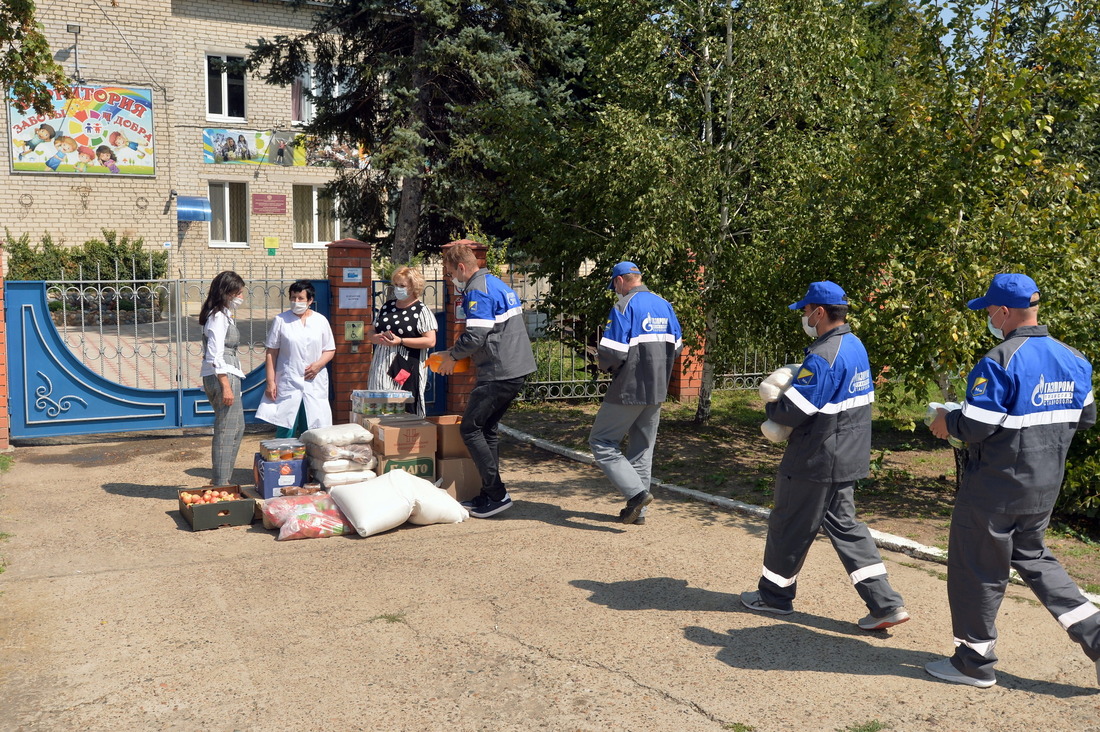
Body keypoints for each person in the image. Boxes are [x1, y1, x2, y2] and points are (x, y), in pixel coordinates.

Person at [926, 273, 1098, 688]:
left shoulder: (1000, 359)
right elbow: (1086, 417)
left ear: (1004, 311)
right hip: (1043, 486)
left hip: (995, 488)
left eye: (988, 310)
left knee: (976, 569)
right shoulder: (1074, 357)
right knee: (1035, 559)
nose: (988, 317)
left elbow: (975, 427)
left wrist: (944, 420)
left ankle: (974, 662)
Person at [740, 281, 910, 631]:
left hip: (815, 457)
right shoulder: (854, 345)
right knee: (846, 527)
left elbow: (792, 411)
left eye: (805, 311)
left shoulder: (823, 355)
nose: (804, 316)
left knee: (788, 525)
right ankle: (886, 604)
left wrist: (772, 402)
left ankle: (774, 597)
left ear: (819, 311)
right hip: (846, 454)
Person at [434, 241, 535, 518]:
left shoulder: (477, 290)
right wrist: (453, 352)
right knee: (487, 428)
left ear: (462, 267)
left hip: (499, 372)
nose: (449, 277)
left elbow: (476, 335)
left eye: (449, 271)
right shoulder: (496, 284)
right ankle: (490, 493)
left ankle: (497, 493)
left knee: (470, 428)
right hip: (513, 368)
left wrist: (452, 357)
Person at [588, 261, 682, 525]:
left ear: (620, 281)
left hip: (628, 387)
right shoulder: (664, 304)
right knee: (642, 448)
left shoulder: (624, 306)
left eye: (614, 286)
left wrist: (602, 363)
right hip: (657, 388)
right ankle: (638, 513)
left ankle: (636, 494)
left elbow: (612, 353)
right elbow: (677, 347)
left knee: (602, 442)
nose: (615, 291)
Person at [256, 280, 336, 438]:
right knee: (286, 426)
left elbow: (330, 349)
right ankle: (283, 462)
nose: (296, 302)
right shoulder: (281, 320)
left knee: (314, 427)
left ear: (310, 300)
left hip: (314, 381)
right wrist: (270, 382)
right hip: (288, 380)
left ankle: (312, 462)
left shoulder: (320, 321)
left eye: (300, 298)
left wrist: (318, 365)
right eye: (293, 298)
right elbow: (271, 352)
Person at [367, 266, 438, 417]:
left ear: (413, 287)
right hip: (381, 365)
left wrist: (401, 341)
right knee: (380, 407)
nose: (397, 289)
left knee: (403, 406)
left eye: (402, 286)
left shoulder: (421, 310)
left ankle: (407, 437)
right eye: (396, 285)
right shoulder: (387, 306)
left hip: (406, 365)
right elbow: (371, 330)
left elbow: (430, 341)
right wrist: (375, 337)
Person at [199, 271, 247, 486]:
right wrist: (225, 385)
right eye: (238, 292)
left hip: (227, 373)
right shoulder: (218, 316)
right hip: (223, 375)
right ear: (226, 293)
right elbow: (214, 353)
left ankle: (223, 477)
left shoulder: (223, 315)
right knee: (227, 430)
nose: (241, 297)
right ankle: (220, 482)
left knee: (237, 427)